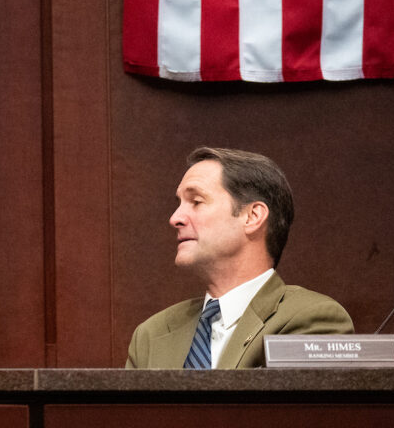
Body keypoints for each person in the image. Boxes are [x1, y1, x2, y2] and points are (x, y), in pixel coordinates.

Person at [125, 147, 353, 369]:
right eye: (179, 204)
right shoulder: (150, 336)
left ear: (252, 216)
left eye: (196, 202)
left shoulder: (311, 319)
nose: (175, 218)